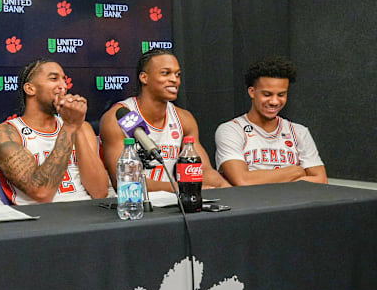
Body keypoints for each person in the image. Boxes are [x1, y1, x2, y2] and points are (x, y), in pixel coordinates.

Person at [100, 48, 230, 191]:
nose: (174, 79)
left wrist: (226, 188)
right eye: (165, 73)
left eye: (177, 74)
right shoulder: (119, 116)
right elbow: (124, 181)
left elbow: (203, 170)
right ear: (144, 78)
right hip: (131, 204)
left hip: (173, 203)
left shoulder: (184, 118)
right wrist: (182, 188)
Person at [0, 59, 109, 204]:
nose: (63, 86)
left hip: (86, 213)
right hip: (42, 219)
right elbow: (41, 193)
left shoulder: (82, 127)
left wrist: (77, 125)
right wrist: (70, 127)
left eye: (64, 80)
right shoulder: (5, 133)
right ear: (30, 89)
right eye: (53, 79)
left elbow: (100, 192)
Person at [214, 57, 327, 185]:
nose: (274, 102)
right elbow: (243, 181)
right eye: (267, 94)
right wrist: (295, 171)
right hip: (250, 203)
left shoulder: (299, 131)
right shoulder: (231, 130)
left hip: (293, 203)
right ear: (252, 92)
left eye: (281, 95)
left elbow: (321, 180)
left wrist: (263, 179)